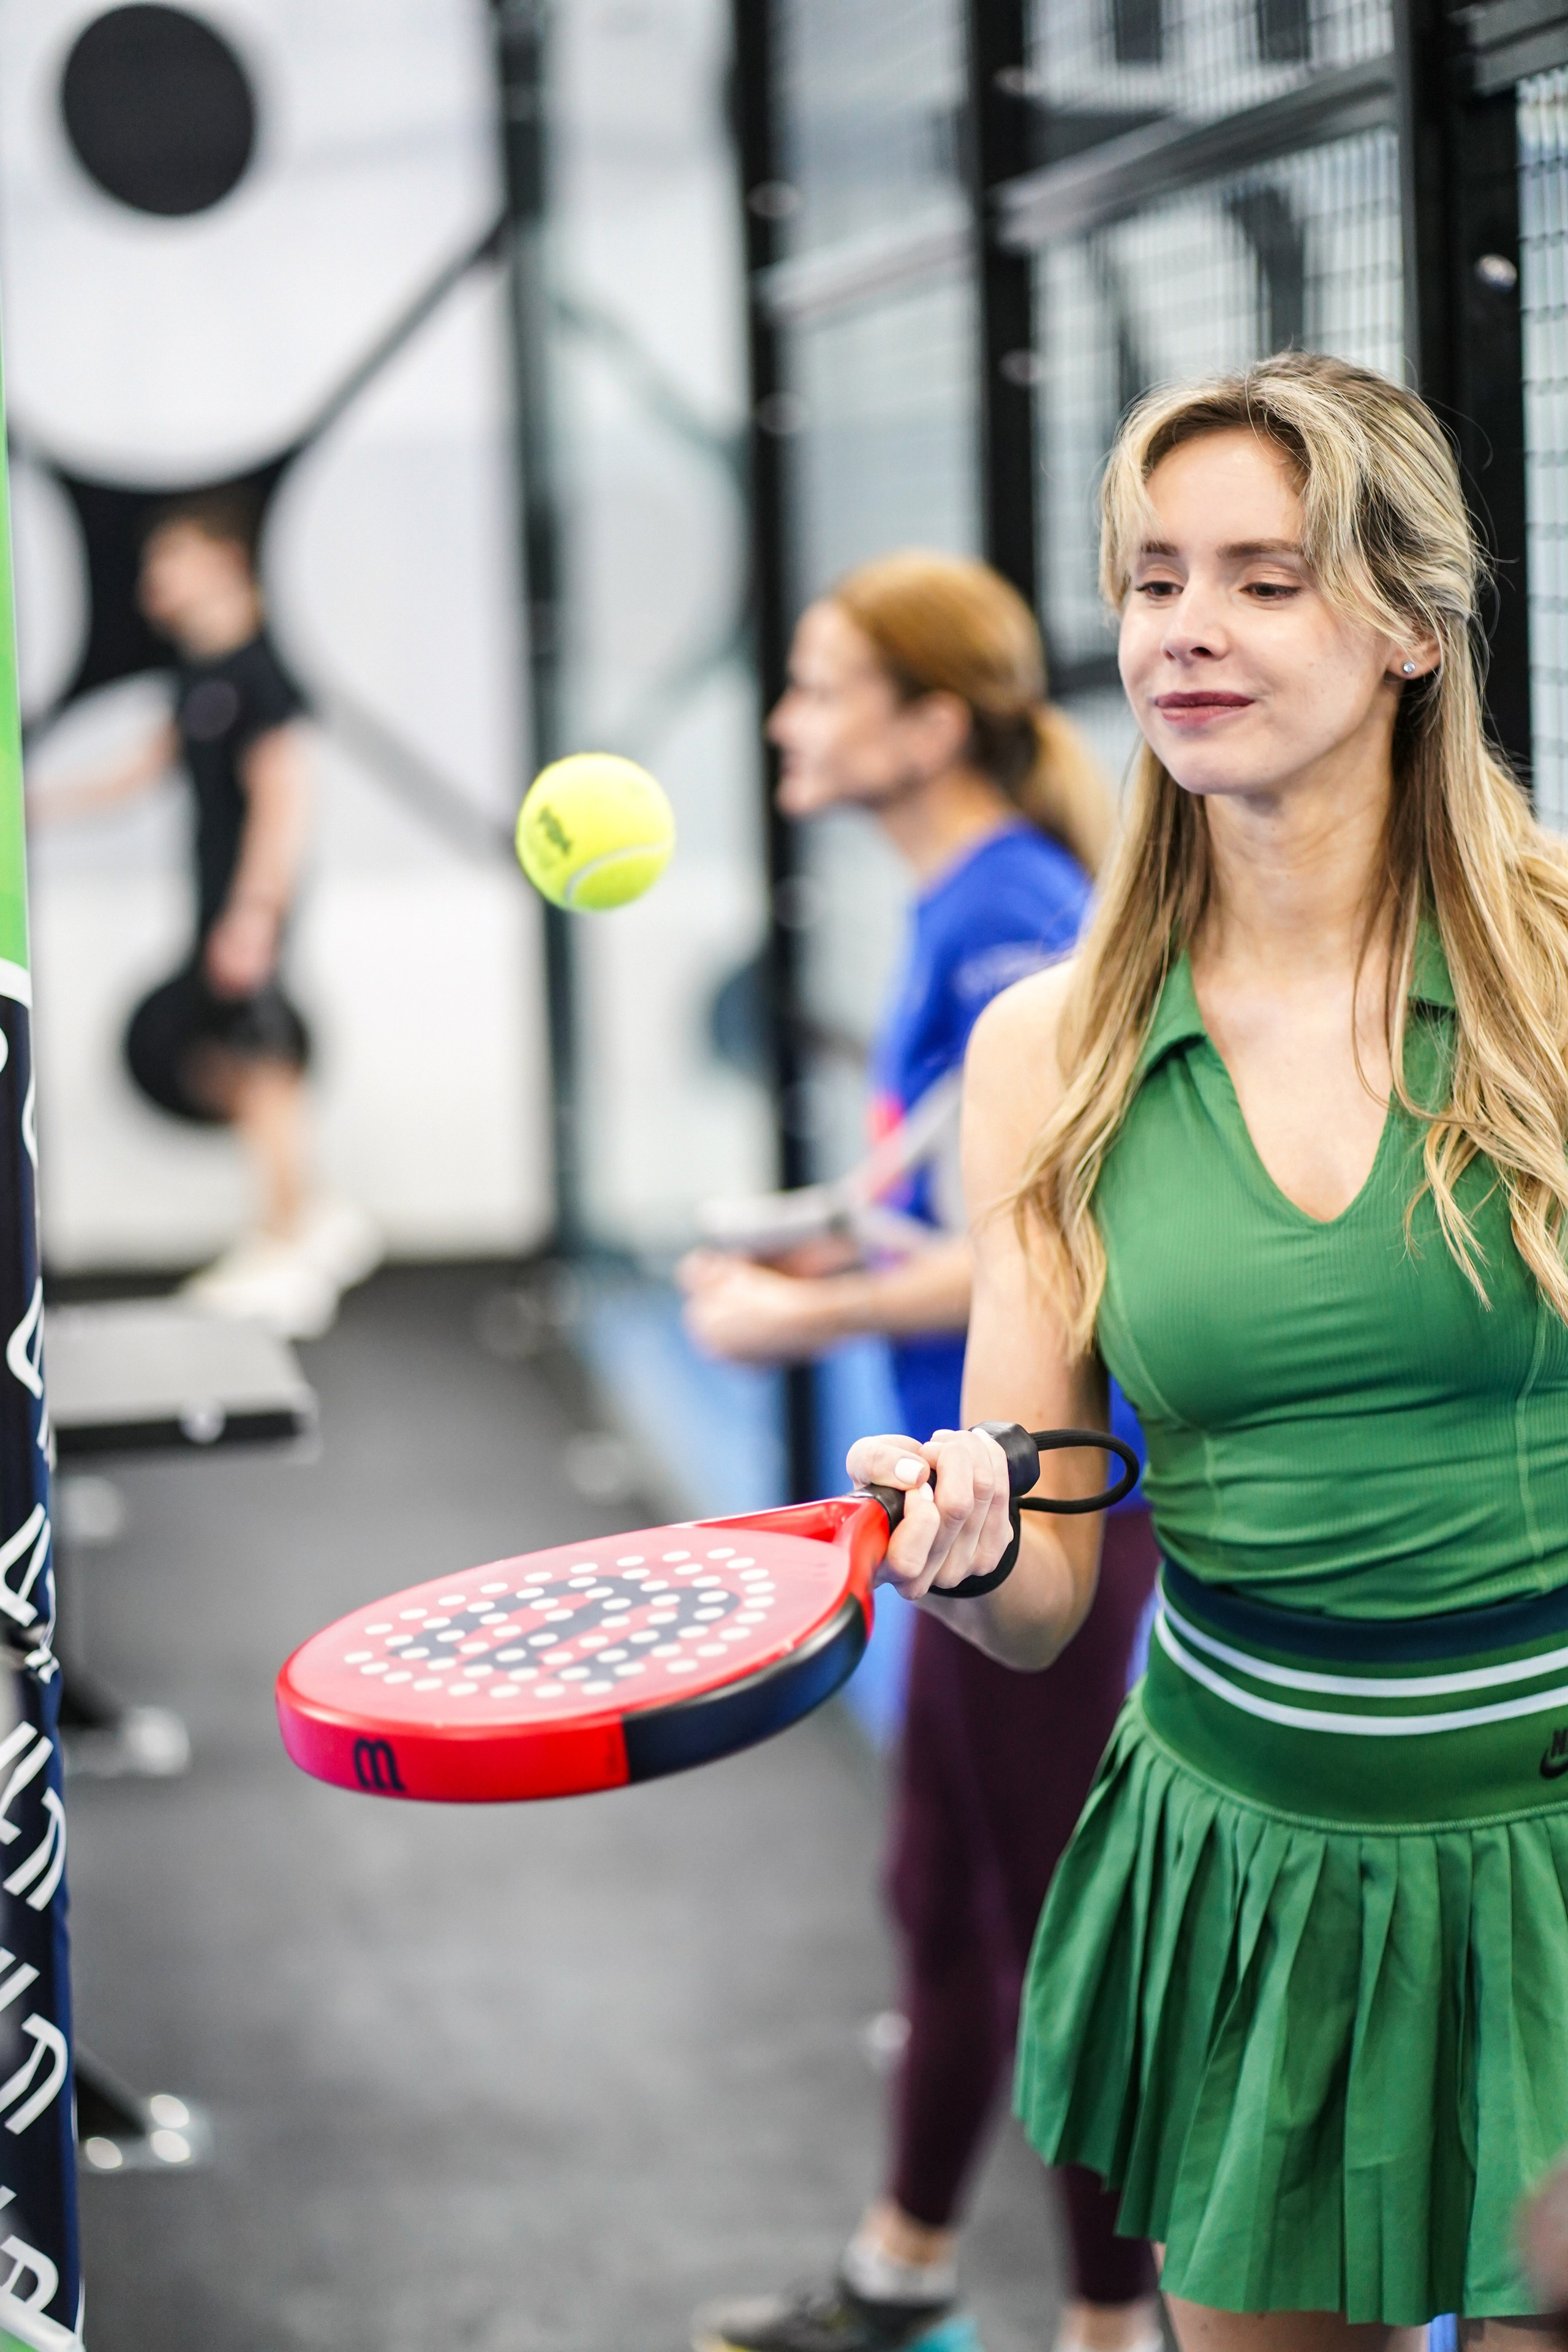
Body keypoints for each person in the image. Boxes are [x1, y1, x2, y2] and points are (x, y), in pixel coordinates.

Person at [847, 350, 1568, 2346]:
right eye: (1156, 579)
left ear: (1409, 627)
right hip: (1246, 1873)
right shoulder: (1048, 1049)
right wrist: (970, 1549)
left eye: (1265, 578)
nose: (1187, 628)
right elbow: (1043, 1595)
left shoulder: (1558, 977)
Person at [682, 554, 1161, 2352]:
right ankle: (905, 2272)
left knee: (1060, 1922)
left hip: (1053, 1506)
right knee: (939, 1892)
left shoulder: (1015, 918)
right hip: (966, 1496)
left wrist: (794, 1321)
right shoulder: (963, 900)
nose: (785, 719)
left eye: (820, 684)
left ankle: (1111, 2321)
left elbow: (1050, 1239)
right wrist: (821, 1272)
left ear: (929, 724)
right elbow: (953, 1221)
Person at [29, 493, 379, 1335]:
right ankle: (314, 1214)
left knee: (256, 1065)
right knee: (226, 1062)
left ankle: (286, 1245)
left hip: (248, 902)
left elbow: (285, 800)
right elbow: (133, 775)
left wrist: (254, 912)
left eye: (170, 561)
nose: (155, 582)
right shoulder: (196, 676)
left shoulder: (261, 675)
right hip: (219, 901)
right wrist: (28, 805)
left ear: (225, 562)